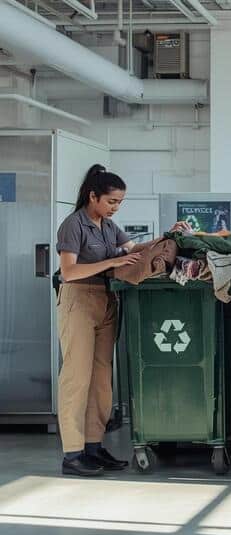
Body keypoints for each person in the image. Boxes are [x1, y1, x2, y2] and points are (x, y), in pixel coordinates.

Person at [55, 165, 143, 477]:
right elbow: (68, 271)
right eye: (111, 202)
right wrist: (112, 260)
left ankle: (93, 447)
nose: (115, 208)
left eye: (119, 203)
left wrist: (170, 237)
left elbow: (135, 251)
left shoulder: (108, 226)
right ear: (93, 196)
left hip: (107, 300)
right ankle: (73, 454)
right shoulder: (73, 225)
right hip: (78, 300)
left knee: (102, 380)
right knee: (77, 378)